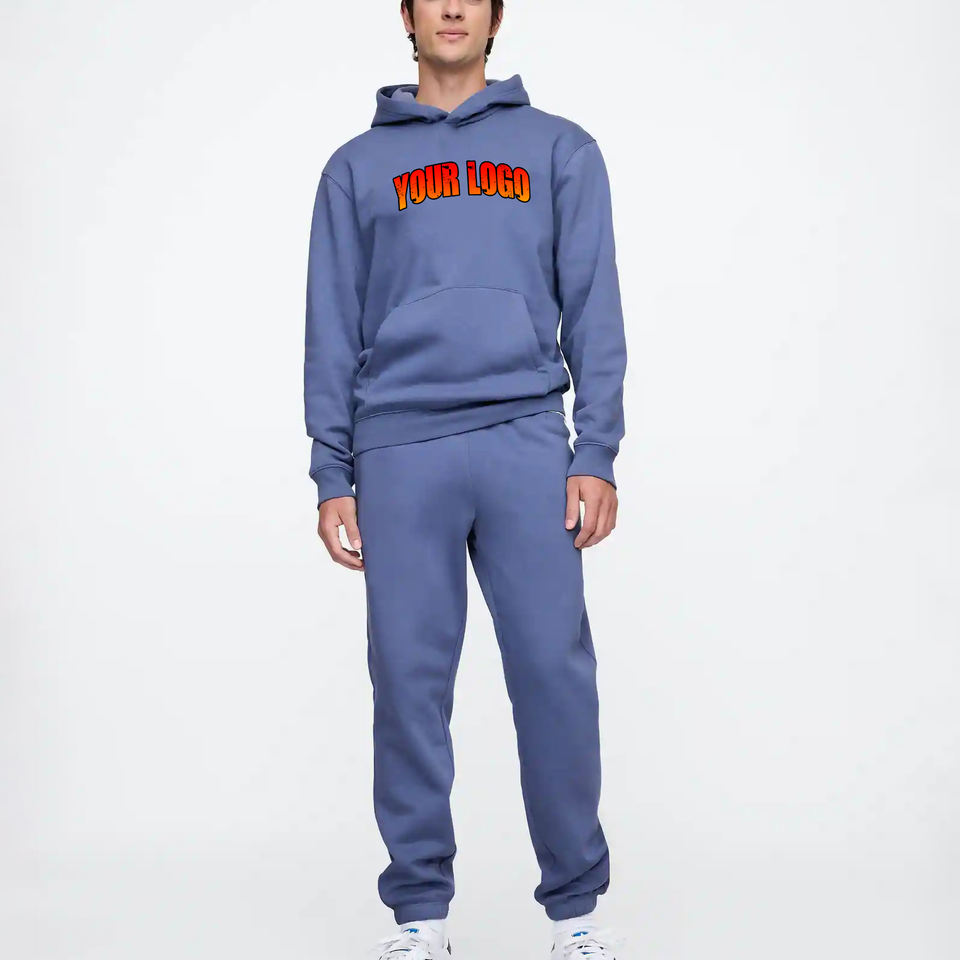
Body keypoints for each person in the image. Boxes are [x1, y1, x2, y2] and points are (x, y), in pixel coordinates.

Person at [303, 2, 628, 957]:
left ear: (495, 16)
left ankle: (576, 917)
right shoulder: (356, 168)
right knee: (408, 683)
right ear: (405, 16)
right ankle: (420, 920)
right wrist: (332, 469)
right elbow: (331, 325)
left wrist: (595, 451)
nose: (452, 8)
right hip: (399, 447)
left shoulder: (560, 149)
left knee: (554, 674)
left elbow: (595, 304)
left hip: (526, 436)